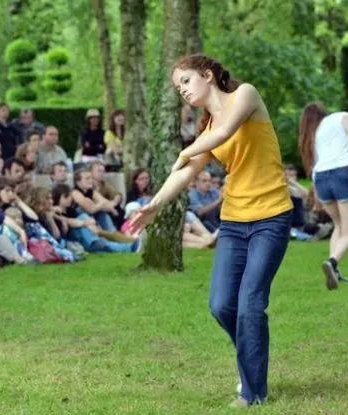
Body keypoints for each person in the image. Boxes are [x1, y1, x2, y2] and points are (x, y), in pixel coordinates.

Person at [128, 54, 293, 408]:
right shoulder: (206, 132)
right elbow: (185, 172)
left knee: (250, 305)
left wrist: (187, 150)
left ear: (208, 75)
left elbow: (224, 132)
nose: (182, 91)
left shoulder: (245, 96)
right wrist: (155, 205)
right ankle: (252, 361)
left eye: (185, 81)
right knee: (221, 305)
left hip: (271, 217)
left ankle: (253, 393)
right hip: (233, 221)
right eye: (178, 88)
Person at [298, 101, 348, 290]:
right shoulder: (341, 116)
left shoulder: (313, 134)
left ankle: (334, 272)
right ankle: (332, 262)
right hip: (343, 173)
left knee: (338, 226)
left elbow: (316, 165)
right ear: (324, 112)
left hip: (322, 179)